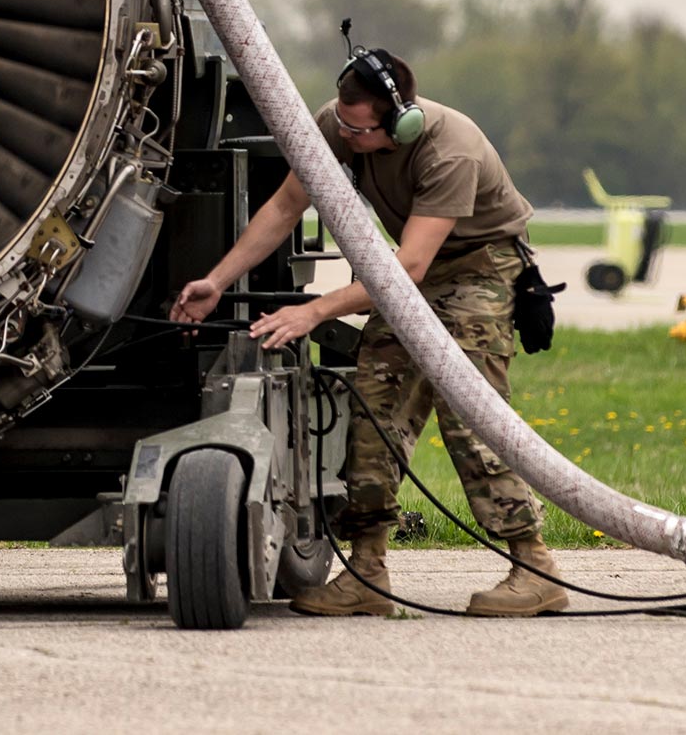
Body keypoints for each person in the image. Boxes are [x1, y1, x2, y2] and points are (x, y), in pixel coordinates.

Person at [168, 36, 566, 618]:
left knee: (468, 409)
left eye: (360, 133)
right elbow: (284, 207)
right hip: (410, 268)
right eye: (344, 129)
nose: (347, 140)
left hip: (478, 267)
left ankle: (535, 569)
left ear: (400, 124)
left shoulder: (449, 150)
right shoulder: (338, 124)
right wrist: (218, 280)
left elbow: (408, 268)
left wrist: (315, 310)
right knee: (374, 409)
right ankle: (367, 573)